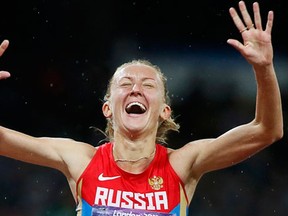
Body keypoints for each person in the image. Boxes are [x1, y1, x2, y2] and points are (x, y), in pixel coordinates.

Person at [0, 1, 283, 215]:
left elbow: (265, 130)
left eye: (148, 85)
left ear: (164, 111)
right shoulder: (81, 160)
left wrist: (264, 69)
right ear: (107, 108)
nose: (136, 88)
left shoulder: (182, 164)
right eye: (125, 84)